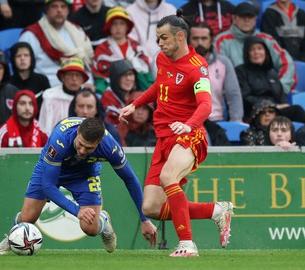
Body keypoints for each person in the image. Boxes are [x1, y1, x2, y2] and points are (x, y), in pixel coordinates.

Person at [119, 10, 234, 257]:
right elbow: (159, 86)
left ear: (180, 36)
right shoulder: (163, 59)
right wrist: (136, 104)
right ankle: (216, 211)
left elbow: (205, 104)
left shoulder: (198, 67)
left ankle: (187, 244)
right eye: (158, 38)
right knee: (150, 207)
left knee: (169, 177)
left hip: (188, 135)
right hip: (164, 137)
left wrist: (189, 125)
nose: (160, 44)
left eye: (163, 38)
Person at [0, 117, 158, 255]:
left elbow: (130, 180)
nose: (82, 151)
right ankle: (13, 236)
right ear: (78, 132)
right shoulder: (59, 139)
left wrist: (145, 219)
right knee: (27, 219)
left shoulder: (110, 147)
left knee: (90, 228)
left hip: (85, 174)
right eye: (80, 144)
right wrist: (77, 210)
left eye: (89, 148)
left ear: (99, 142)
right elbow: (49, 185)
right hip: (52, 170)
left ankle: (104, 220)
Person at [214, 1, 296, 94]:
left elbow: (286, 63)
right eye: (242, 17)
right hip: (237, 94)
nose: (246, 20)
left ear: (255, 19)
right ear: (234, 18)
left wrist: (278, 89)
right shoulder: (221, 41)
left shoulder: (266, 39)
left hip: (267, 93)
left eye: (250, 17)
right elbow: (219, 72)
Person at [19, 0, 94, 88]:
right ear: (46, 10)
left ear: (68, 11)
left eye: (63, 6)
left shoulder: (77, 31)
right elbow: (23, 69)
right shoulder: (31, 35)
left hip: (78, 87)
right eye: (54, 6)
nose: (59, 10)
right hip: (46, 89)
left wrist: (89, 83)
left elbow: (86, 64)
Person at [235, 36, 305, 123]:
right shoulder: (240, 71)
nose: (256, 52)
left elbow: (281, 97)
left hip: (275, 111)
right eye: (252, 49)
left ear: (266, 52)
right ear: (247, 53)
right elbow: (245, 98)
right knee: (297, 111)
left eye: (260, 48)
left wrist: (278, 106)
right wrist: (272, 106)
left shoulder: (271, 73)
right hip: (255, 112)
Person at [92, 6, 154, 94]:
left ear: (127, 27)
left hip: (137, 93)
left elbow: (147, 76)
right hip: (111, 95)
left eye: (122, 23)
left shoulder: (137, 48)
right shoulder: (102, 49)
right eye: (114, 24)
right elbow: (100, 79)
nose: (118, 27)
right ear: (109, 27)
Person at [189, 22, 243, 122]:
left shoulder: (223, 63)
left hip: (216, 121)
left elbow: (233, 95)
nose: (200, 42)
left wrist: (236, 122)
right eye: (195, 38)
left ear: (211, 41)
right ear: (188, 41)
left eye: (204, 38)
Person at [39, 58, 89, 135]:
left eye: (77, 75)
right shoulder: (50, 96)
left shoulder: (89, 98)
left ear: (82, 79)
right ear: (62, 77)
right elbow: (44, 128)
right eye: (70, 75)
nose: (74, 79)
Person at [126, 0, 176, 71]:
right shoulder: (130, 12)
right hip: (139, 63)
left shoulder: (171, 10)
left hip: (166, 61)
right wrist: (147, 60)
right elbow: (131, 42)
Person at [9, 42, 51, 111]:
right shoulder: (8, 84)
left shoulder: (42, 81)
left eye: (26, 55)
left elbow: (49, 106)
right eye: (18, 56)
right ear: (13, 60)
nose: (22, 58)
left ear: (31, 58)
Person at [100, 59, 140, 126]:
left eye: (131, 74)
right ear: (115, 78)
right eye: (124, 75)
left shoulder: (137, 95)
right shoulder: (107, 100)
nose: (128, 78)